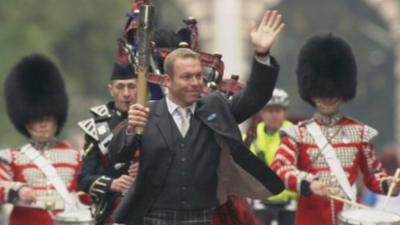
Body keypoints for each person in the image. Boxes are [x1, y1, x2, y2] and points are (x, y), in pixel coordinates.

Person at [108, 10, 285, 225]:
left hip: (200, 217)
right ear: (167, 80)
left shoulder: (216, 108)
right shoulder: (146, 113)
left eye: (198, 76)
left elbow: (256, 96)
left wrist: (262, 54)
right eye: (186, 77)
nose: (195, 82)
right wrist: (130, 129)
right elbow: (117, 155)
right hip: (154, 217)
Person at [271, 33, 400, 225]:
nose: (327, 97)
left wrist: (388, 184)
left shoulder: (360, 133)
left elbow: (373, 175)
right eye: (321, 93)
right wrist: (309, 183)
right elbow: (280, 168)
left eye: (332, 93)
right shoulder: (298, 135)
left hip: (349, 218)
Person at [0, 54, 86, 225]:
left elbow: (89, 192)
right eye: (36, 119)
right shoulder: (11, 158)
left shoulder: (78, 157)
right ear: (25, 121)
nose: (42, 125)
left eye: (46, 118)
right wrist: (18, 190)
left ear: (56, 118)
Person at [77, 62, 139, 225]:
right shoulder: (97, 127)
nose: (126, 93)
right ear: (111, 89)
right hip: (114, 210)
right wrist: (112, 183)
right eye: (120, 87)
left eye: (132, 86)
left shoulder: (155, 118)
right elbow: (84, 178)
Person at [249, 88, 297, 225]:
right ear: (262, 113)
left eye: (278, 110)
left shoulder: (296, 136)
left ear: (285, 112)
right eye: (269, 110)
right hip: (261, 201)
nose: (274, 115)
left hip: (290, 202)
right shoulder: (252, 136)